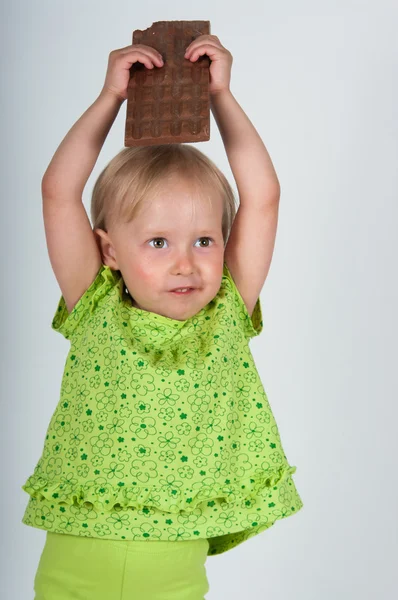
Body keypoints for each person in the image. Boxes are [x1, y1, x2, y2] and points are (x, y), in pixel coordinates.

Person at [21, 34, 304, 599]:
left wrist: (221, 96)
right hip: (72, 564)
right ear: (110, 252)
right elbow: (58, 192)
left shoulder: (226, 309)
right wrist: (110, 98)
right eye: (157, 242)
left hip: (172, 572)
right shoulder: (93, 303)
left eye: (204, 240)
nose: (185, 263)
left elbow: (264, 195)